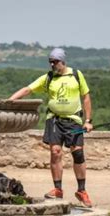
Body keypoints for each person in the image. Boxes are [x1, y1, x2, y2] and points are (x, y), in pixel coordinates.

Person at [9, 48, 94, 207]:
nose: (52, 64)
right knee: (55, 153)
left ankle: (82, 191)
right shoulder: (48, 78)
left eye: (55, 61)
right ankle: (58, 189)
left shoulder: (76, 74)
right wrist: (10, 101)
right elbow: (28, 89)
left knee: (78, 153)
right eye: (50, 62)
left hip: (74, 120)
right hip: (54, 120)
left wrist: (88, 120)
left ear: (63, 61)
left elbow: (86, 97)